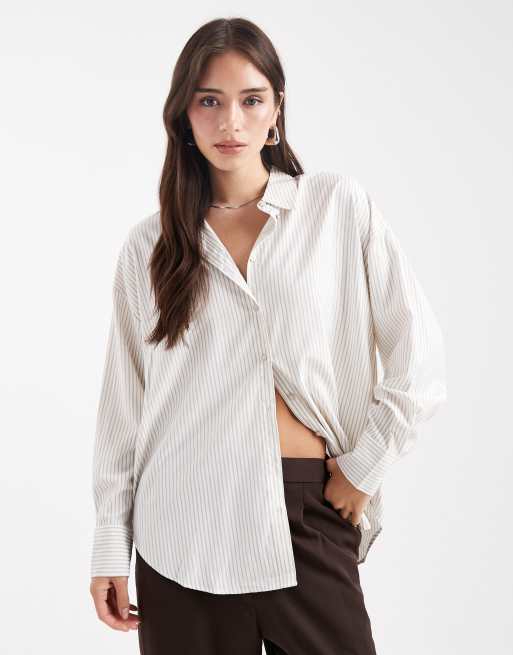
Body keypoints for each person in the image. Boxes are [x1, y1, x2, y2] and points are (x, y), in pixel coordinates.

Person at [89, 17, 447, 655]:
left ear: (276, 109)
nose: (231, 122)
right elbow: (125, 410)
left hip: (307, 509)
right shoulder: (149, 246)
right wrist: (110, 545)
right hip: (181, 526)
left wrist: (362, 469)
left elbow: (418, 359)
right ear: (183, 115)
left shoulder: (336, 208)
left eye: (250, 100)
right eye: (209, 101)